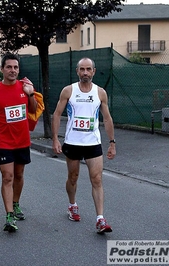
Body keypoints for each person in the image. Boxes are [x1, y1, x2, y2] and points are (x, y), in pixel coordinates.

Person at [51, 57, 116, 234]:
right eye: (82, 69)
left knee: (97, 179)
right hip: (72, 142)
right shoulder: (68, 91)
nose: (85, 72)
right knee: (73, 177)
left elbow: (107, 118)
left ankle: (100, 219)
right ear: (77, 71)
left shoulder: (100, 93)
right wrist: (55, 139)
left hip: (93, 143)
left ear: (94, 71)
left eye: (88, 69)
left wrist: (112, 142)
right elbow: (57, 114)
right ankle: (72, 205)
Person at [0, 53, 37, 232]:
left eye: (15, 67)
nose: (13, 70)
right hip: (4, 142)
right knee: (8, 177)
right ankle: (9, 215)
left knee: (19, 175)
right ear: (2, 69)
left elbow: (33, 110)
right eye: (9, 67)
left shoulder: (25, 87)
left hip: (22, 141)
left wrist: (30, 95)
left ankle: (16, 203)